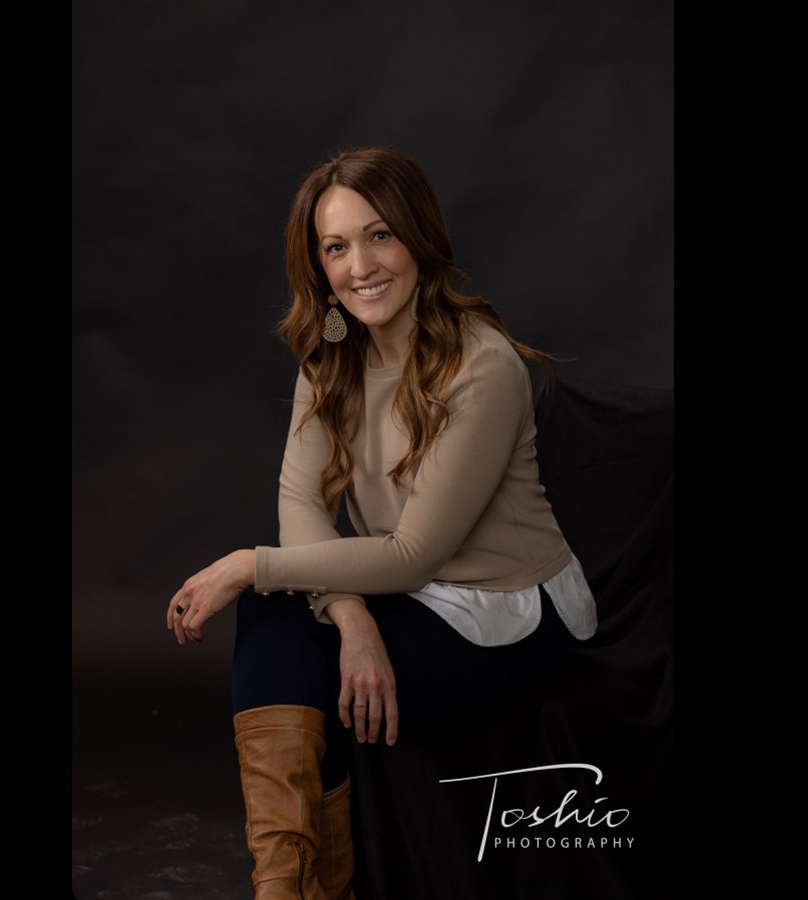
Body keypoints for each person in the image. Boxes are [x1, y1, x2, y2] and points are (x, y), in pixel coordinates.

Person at [166, 146, 597, 899]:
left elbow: (414, 553)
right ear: (318, 264)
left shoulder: (482, 366)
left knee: (280, 621)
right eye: (336, 247)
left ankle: (308, 885)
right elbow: (301, 503)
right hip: (404, 590)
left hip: (511, 606)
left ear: (418, 238)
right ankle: (287, 887)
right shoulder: (329, 357)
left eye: (379, 236)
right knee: (277, 619)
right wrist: (351, 616)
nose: (360, 266)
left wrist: (246, 564)